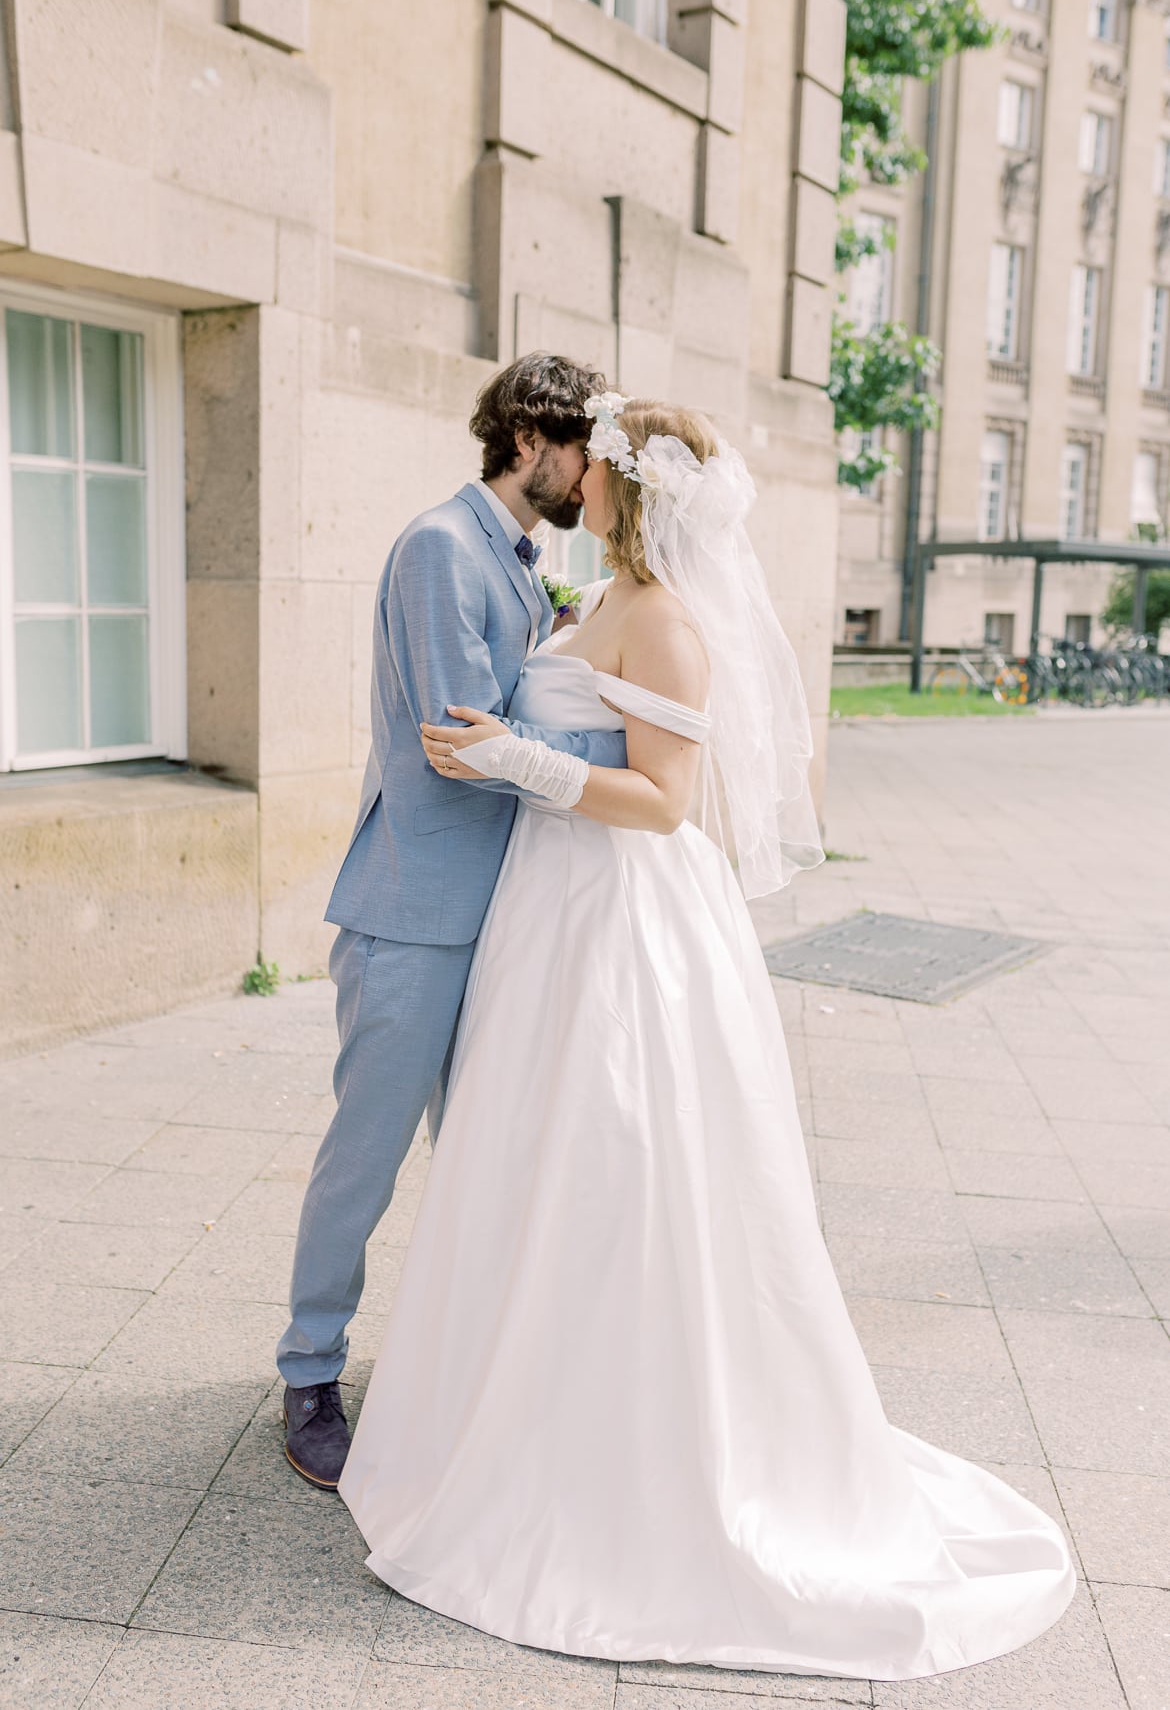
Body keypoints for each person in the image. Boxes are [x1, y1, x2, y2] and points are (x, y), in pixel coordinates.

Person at [338, 394, 1076, 1681]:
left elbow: (665, 804)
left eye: (598, 462)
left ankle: (627, 1439)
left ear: (628, 487)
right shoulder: (598, 598)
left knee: (627, 1163)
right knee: (534, 1161)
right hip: (549, 914)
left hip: (625, 921)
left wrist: (514, 756)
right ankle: (510, 1406)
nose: (578, 475)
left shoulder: (670, 621)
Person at [275, 354, 629, 1489]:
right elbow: (454, 739)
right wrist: (620, 754)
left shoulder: (516, 560)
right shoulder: (438, 546)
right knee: (366, 1159)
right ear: (531, 439)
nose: (592, 480)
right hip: (416, 913)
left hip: (505, 917)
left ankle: (458, 1364)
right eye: (584, 452)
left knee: (484, 1156)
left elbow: (506, 690)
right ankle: (310, 1372)